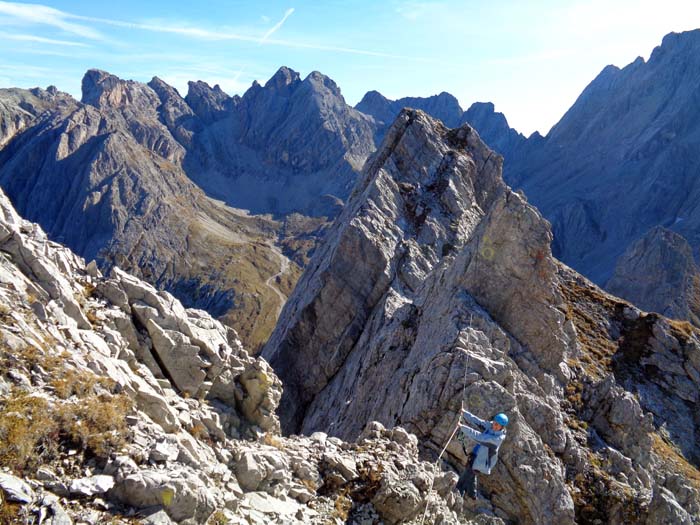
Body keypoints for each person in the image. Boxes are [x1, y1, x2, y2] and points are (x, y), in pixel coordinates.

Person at [455, 410, 508, 499]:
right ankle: (472, 495)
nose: (494, 426)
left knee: (467, 474)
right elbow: (479, 422)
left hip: (482, 462)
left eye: (497, 425)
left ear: (502, 427)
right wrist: (465, 413)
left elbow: (479, 437)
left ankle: (458, 493)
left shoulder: (497, 439)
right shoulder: (491, 426)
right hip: (477, 455)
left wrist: (462, 427)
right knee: (471, 473)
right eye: (494, 423)